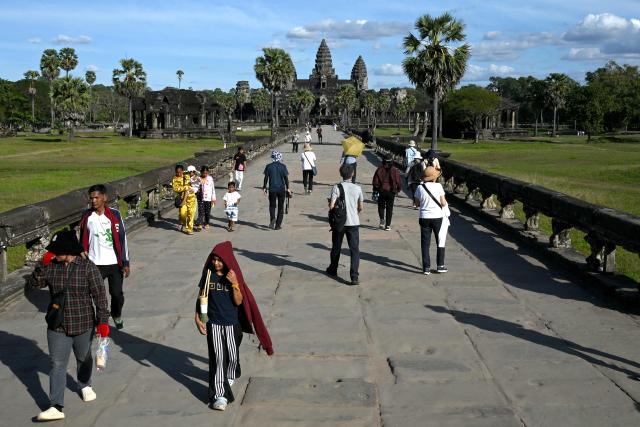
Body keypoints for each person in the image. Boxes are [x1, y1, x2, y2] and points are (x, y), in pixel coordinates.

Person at [30, 229, 110, 421]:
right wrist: (42, 263)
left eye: (58, 250)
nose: (55, 253)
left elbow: (100, 297)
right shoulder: (52, 266)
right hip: (57, 325)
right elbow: (35, 283)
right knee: (57, 364)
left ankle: (84, 384)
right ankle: (56, 406)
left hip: (83, 323)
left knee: (83, 358)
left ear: (69, 250)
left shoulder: (88, 268)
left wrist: (103, 323)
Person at [194, 241, 273, 411]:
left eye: (219, 260)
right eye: (214, 259)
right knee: (217, 358)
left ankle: (230, 373)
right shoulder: (208, 274)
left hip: (232, 323)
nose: (216, 263)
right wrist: (198, 317)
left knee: (232, 354)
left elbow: (238, 301)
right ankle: (220, 395)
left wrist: (235, 283)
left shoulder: (232, 275)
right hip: (213, 323)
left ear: (227, 260)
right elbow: (202, 295)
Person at [79, 184, 130, 330]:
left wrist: (125, 262)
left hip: (114, 263)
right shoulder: (87, 216)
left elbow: (122, 239)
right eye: (91, 198)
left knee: (117, 294)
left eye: (97, 197)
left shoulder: (115, 215)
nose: (94, 201)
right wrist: (82, 253)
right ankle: (99, 322)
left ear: (104, 198)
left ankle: (116, 314)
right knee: (97, 296)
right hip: (95, 263)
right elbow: (82, 238)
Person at [326, 164, 363, 286]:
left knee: (336, 246)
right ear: (352, 174)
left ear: (341, 174)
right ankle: (354, 276)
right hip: (353, 223)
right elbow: (360, 207)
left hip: (340, 222)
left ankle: (333, 269)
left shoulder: (336, 187)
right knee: (354, 250)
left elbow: (331, 206)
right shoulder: (358, 188)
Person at [414, 166, 450, 275]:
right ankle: (440, 265)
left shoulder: (420, 188)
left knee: (425, 243)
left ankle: (426, 268)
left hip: (424, 217)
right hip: (437, 217)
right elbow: (443, 203)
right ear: (434, 178)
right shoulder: (438, 186)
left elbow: (416, 204)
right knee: (440, 240)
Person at [262, 150, 291, 230]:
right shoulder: (283, 166)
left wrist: (264, 187)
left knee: (272, 206)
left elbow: (266, 178)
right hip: (281, 189)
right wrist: (288, 188)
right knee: (280, 207)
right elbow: (286, 179)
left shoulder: (268, 166)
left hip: (272, 189)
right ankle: (278, 225)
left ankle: (272, 219)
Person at [372, 156, 402, 230]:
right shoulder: (394, 170)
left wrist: (375, 189)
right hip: (391, 191)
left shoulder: (379, 169)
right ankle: (388, 225)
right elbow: (398, 182)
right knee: (389, 208)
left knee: (381, 206)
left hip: (381, 190)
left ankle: (382, 220)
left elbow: (375, 181)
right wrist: (398, 190)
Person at [172, 164, 197, 235]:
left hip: (191, 197)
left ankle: (189, 229)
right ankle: (182, 222)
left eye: (180, 172)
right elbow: (175, 188)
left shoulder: (187, 175)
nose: (179, 174)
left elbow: (195, 182)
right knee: (183, 213)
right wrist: (185, 188)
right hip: (182, 198)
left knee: (191, 214)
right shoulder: (175, 179)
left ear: (183, 171)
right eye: (177, 172)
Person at [199, 166, 216, 230]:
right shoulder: (199, 178)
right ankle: (200, 223)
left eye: (206, 173)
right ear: (201, 172)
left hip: (208, 198)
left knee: (207, 211)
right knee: (201, 211)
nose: (205, 174)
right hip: (201, 198)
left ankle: (206, 223)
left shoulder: (210, 178)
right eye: (203, 173)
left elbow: (212, 189)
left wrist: (213, 198)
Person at [189, 166, 203, 231]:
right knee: (192, 210)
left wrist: (197, 177)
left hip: (198, 194)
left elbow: (201, 182)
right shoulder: (188, 178)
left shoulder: (197, 177)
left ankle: (200, 224)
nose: (191, 173)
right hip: (191, 195)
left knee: (200, 209)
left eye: (192, 172)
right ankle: (190, 223)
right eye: (190, 172)